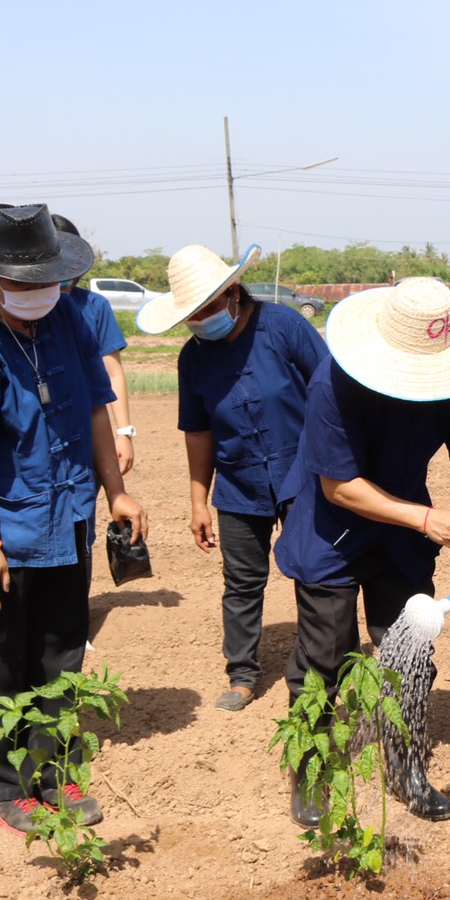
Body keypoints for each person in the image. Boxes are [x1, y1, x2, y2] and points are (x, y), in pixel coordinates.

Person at [0, 203, 147, 835]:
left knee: (60, 653)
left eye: (46, 282)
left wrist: (117, 493)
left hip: (68, 515)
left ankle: (56, 768)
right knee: (0, 661)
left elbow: (93, 411)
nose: (37, 295)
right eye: (23, 285)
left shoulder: (70, 320)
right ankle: (7, 785)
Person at [273, 277, 450, 824]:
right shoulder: (334, 380)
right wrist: (426, 518)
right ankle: (312, 769)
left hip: (400, 533)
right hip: (332, 529)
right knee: (324, 658)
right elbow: (339, 487)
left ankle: (405, 766)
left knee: (410, 647)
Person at [135, 244, 325, 712]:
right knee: (241, 581)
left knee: (314, 572)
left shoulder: (283, 327)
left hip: (303, 472)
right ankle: (242, 674)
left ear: (233, 293)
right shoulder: (192, 359)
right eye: (192, 315)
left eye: (208, 308)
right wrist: (199, 500)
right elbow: (198, 432)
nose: (201, 320)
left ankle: (320, 670)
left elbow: (328, 391)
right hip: (238, 483)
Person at [52, 215, 137, 476]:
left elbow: (112, 374)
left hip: (88, 431)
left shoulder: (94, 307)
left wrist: (124, 433)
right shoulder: (25, 312)